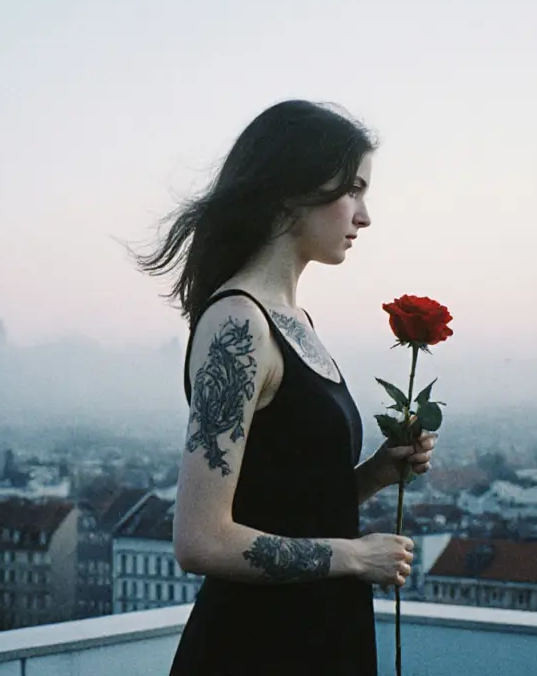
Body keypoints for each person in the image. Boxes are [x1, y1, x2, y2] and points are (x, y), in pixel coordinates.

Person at [135, 99, 440, 675]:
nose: (364, 215)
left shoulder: (293, 321)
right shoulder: (239, 323)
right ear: (291, 191)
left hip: (315, 634)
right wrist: (353, 556)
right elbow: (200, 540)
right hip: (259, 646)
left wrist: (378, 472)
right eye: (352, 188)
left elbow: (286, 509)